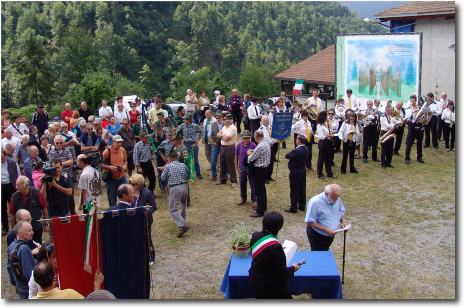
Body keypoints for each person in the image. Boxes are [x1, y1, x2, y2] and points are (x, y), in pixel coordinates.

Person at [249, 211, 301, 299]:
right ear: (280, 227)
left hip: (255, 279)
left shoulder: (255, 236)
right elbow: (282, 274)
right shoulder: (276, 248)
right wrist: (293, 268)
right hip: (269, 286)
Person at [304, 184, 346, 251]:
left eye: (337, 198)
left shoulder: (336, 198)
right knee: (319, 256)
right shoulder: (315, 202)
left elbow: (341, 210)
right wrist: (326, 230)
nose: (336, 200)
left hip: (329, 235)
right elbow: (310, 221)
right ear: (327, 194)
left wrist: (343, 221)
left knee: (325, 251)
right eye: (334, 198)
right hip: (317, 236)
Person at [10, 176, 49, 243]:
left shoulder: (36, 194)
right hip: (22, 231)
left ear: (26, 186)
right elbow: (12, 214)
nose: (16, 187)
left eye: (19, 185)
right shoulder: (14, 197)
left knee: (37, 246)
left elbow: (44, 208)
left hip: (36, 227)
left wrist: (46, 224)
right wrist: (14, 229)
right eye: (16, 185)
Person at [160, 151, 191, 237]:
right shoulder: (183, 165)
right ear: (177, 157)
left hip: (175, 187)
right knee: (183, 204)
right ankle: (182, 220)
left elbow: (163, 178)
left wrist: (163, 170)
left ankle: (182, 225)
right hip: (185, 186)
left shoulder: (168, 166)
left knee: (173, 208)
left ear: (169, 158)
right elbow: (188, 175)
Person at [129, 174, 157, 263]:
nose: (131, 186)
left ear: (140, 184)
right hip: (132, 219)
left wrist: (143, 213)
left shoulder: (147, 193)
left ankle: (151, 257)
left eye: (133, 184)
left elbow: (153, 207)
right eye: (130, 183)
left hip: (144, 220)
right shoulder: (129, 192)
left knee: (147, 238)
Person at [7, 221, 36, 299]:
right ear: (20, 233)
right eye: (29, 231)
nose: (32, 232)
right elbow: (29, 273)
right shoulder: (24, 249)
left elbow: (9, 267)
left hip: (20, 285)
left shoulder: (11, 246)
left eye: (32, 230)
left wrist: (15, 283)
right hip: (27, 287)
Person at [248, 130, 271, 218]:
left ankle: (260, 210)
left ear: (256, 137)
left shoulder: (260, 146)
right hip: (264, 169)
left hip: (259, 170)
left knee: (259, 190)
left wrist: (249, 153)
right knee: (262, 189)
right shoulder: (265, 143)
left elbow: (251, 158)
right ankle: (263, 206)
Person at [283, 135, 309, 213]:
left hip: (295, 172)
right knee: (302, 189)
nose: (295, 140)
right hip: (302, 171)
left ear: (299, 141)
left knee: (294, 190)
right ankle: (302, 205)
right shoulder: (306, 149)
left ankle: (293, 207)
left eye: (297, 139)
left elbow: (287, 156)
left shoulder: (297, 150)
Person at [101, 135, 128, 208]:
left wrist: (125, 165)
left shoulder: (122, 150)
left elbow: (125, 160)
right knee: (112, 198)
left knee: (126, 193)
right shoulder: (107, 152)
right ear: (113, 142)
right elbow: (100, 164)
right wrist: (109, 167)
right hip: (111, 178)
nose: (119, 144)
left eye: (120, 142)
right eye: (118, 142)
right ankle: (113, 213)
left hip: (122, 176)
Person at [177, 113, 204, 179]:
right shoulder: (182, 126)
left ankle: (198, 173)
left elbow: (201, 131)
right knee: (186, 160)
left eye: (185, 119)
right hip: (185, 145)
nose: (183, 120)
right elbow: (177, 133)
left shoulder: (195, 126)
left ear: (189, 120)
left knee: (195, 160)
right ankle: (187, 174)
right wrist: (181, 139)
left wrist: (198, 139)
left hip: (193, 145)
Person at [235, 130, 257, 207]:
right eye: (244, 138)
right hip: (241, 165)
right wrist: (237, 167)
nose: (245, 140)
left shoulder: (253, 145)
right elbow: (236, 156)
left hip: (250, 165)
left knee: (252, 182)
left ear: (249, 138)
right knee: (242, 182)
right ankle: (243, 198)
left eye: (247, 138)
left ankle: (254, 199)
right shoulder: (238, 145)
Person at [2, 149, 20, 236]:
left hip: (10, 185)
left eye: (2, 158)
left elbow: (18, 173)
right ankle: (5, 227)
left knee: (13, 207)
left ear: (5, 156)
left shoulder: (12, 163)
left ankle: (16, 226)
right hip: (1, 186)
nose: (1, 160)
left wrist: (17, 185)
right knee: (2, 208)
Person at [216, 114, 237, 187]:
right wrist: (222, 136)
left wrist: (221, 136)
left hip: (229, 147)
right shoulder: (224, 127)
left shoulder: (233, 128)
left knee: (230, 164)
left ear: (228, 121)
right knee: (222, 164)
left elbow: (226, 138)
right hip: (223, 147)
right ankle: (222, 179)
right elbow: (217, 135)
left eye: (225, 120)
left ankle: (234, 180)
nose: (223, 121)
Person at [404, 94, 425, 165]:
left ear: (415, 100)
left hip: (419, 126)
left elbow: (422, 116)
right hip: (412, 126)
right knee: (409, 143)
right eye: (411, 101)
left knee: (419, 143)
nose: (412, 102)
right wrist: (410, 108)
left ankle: (419, 157)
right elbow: (407, 117)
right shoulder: (409, 109)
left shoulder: (419, 108)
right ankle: (407, 158)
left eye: (413, 100)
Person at [258, 115, 278, 183]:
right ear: (262, 122)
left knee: (271, 162)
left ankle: (269, 176)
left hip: (271, 147)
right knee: (266, 163)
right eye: (264, 121)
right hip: (265, 148)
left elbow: (272, 136)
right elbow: (268, 140)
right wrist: (277, 140)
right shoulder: (261, 130)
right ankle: (264, 177)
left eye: (266, 121)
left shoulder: (270, 128)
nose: (265, 122)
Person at [315, 111, 335, 179]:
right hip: (323, 142)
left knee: (328, 158)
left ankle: (329, 173)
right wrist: (328, 135)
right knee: (321, 158)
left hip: (328, 142)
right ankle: (320, 173)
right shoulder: (319, 125)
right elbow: (321, 136)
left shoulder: (326, 124)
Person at [208, 111, 224, 181]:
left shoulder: (226, 125)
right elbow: (209, 136)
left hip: (224, 145)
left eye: (219, 118)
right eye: (217, 118)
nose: (218, 119)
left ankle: (225, 174)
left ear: (222, 118)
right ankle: (214, 174)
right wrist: (213, 143)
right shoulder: (213, 125)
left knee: (225, 161)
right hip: (216, 145)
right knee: (213, 161)